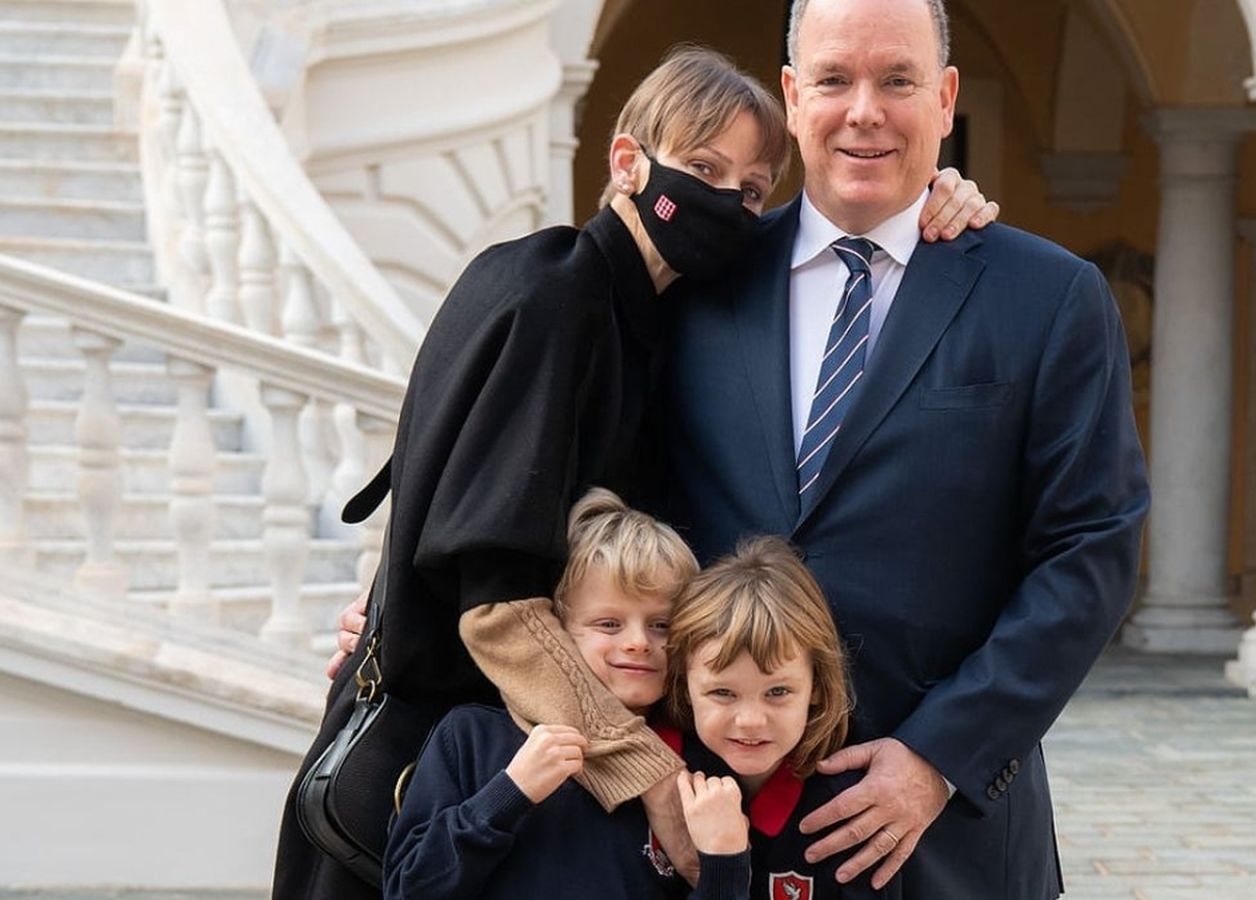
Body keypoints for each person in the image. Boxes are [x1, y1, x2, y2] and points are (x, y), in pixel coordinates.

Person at [278, 44, 997, 900]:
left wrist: (936, 199)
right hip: (464, 776)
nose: (726, 203)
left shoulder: (647, 317)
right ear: (628, 162)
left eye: (751, 190)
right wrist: (650, 778)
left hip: (550, 774)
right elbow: (496, 603)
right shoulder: (552, 298)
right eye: (700, 168)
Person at [657, 1, 1151, 897]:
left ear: (946, 96)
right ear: (792, 94)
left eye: (898, 80)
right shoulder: (695, 286)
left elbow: (1092, 550)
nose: (864, 111)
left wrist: (938, 756)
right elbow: (594, 499)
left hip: (947, 841)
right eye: (836, 79)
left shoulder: (1049, 297)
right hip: (712, 827)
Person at [384, 488, 746, 899]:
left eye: (661, 625)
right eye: (608, 624)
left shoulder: (698, 770)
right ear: (560, 630)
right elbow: (407, 888)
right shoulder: (473, 737)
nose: (638, 642)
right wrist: (509, 793)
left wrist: (724, 864)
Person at [670, 536, 899, 899]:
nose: (749, 721)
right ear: (684, 687)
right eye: (722, 693)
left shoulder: (851, 810)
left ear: (818, 686)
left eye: (777, 692)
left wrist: (723, 864)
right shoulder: (660, 779)